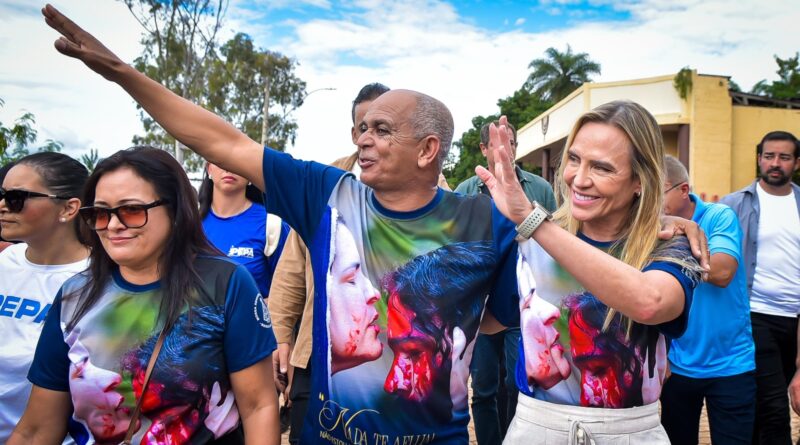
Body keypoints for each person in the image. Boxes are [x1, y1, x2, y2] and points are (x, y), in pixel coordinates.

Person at [41, 7, 708, 442]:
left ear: (427, 149)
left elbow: (520, 305)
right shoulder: (327, 195)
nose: (362, 140)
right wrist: (128, 76)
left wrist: (667, 230)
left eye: (380, 130)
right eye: (359, 128)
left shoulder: (487, 221)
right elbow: (222, 141)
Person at [9, 147, 280, 445]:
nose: (113, 225)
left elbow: (258, 407)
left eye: (131, 210)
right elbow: (37, 429)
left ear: (175, 210)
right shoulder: (74, 295)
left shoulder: (226, 283)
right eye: (100, 213)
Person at [480, 102, 702, 443]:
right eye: (573, 159)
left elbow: (650, 302)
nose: (579, 179)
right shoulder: (530, 242)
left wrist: (532, 220)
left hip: (629, 431)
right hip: (537, 428)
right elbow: (491, 319)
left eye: (602, 168)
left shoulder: (670, 245)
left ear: (639, 181)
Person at [268, 81, 388, 444]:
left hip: (385, 354)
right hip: (315, 352)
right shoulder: (326, 183)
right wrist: (281, 337)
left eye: (383, 128)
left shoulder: (429, 188)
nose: (370, 136)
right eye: (363, 126)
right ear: (353, 133)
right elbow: (292, 268)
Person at [455, 120, 556, 445]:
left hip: (525, 305)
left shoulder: (539, 188)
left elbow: (559, 243)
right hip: (480, 310)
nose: (506, 149)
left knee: (521, 384)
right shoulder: (467, 191)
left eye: (511, 142)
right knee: (483, 388)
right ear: (483, 149)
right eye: (498, 144)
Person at [659, 155, 756, 444]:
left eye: (659, 189)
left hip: (731, 363)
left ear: (683, 189)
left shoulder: (718, 216)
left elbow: (724, 271)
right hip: (676, 364)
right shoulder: (651, 227)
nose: (652, 199)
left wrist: (673, 246)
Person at [0, 152, 89, 444]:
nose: (3, 206)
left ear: (69, 207)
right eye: (2, 195)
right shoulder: (5, 262)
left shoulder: (96, 280)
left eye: (17, 198)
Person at [720, 130, 800, 445]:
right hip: (754, 314)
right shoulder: (733, 204)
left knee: (760, 401)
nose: (775, 163)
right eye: (769, 156)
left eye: (783, 157)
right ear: (759, 159)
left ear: (796, 162)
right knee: (775, 407)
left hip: (793, 320)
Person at [198, 161, 289, 298]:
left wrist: (250, 312)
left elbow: (290, 294)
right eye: (220, 159)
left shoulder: (271, 225)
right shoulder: (190, 224)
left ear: (249, 172)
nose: (228, 167)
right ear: (209, 168)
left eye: (234, 159)